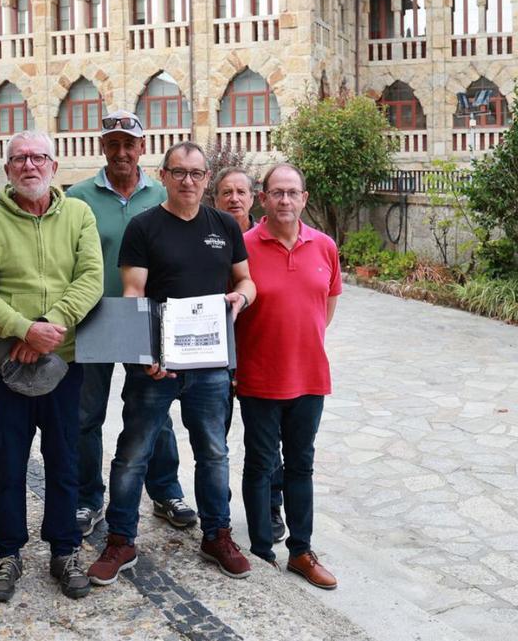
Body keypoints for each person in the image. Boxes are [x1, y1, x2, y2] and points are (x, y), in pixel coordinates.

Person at [88, 141, 256, 586]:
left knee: (214, 453)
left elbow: (244, 279)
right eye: (178, 172)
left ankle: (217, 534)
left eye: (196, 173)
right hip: (157, 367)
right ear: (162, 175)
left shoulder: (224, 225)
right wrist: (144, 356)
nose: (188, 181)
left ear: (206, 178)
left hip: (210, 366)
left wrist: (242, 297)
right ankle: (121, 540)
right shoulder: (144, 228)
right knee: (132, 455)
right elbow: (132, 294)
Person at [0, 130, 104, 603]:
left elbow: (90, 278)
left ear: (53, 166)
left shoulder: (79, 215)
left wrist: (49, 326)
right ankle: (8, 550)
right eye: (19, 159)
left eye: (38, 157)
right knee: (6, 462)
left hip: (63, 365)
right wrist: (23, 330)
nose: (29, 166)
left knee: (65, 461)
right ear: (6, 170)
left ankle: (64, 549)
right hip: (3, 366)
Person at [65, 110, 193, 539]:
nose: (122, 151)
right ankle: (87, 499)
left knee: (155, 411)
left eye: (129, 143)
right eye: (113, 143)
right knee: (86, 416)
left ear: (142, 147)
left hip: (150, 319)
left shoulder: (163, 192)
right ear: (103, 146)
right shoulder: (78, 196)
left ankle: (166, 491)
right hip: (95, 317)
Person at [235, 163, 341, 588]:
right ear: (263, 199)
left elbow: (326, 306)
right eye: (276, 193)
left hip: (310, 377)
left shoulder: (325, 246)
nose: (284, 200)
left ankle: (301, 551)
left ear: (304, 198)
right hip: (259, 378)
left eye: (292, 193)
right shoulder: (241, 246)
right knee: (261, 465)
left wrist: (302, 342)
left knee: (301, 465)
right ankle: (261, 552)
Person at [211, 167, 286, 543]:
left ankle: (272, 505)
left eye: (241, 191)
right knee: (215, 438)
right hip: (218, 357)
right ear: (216, 198)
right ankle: (218, 509)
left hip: (260, 353)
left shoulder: (265, 240)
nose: (234, 199)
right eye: (226, 192)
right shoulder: (206, 238)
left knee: (266, 440)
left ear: (254, 198)